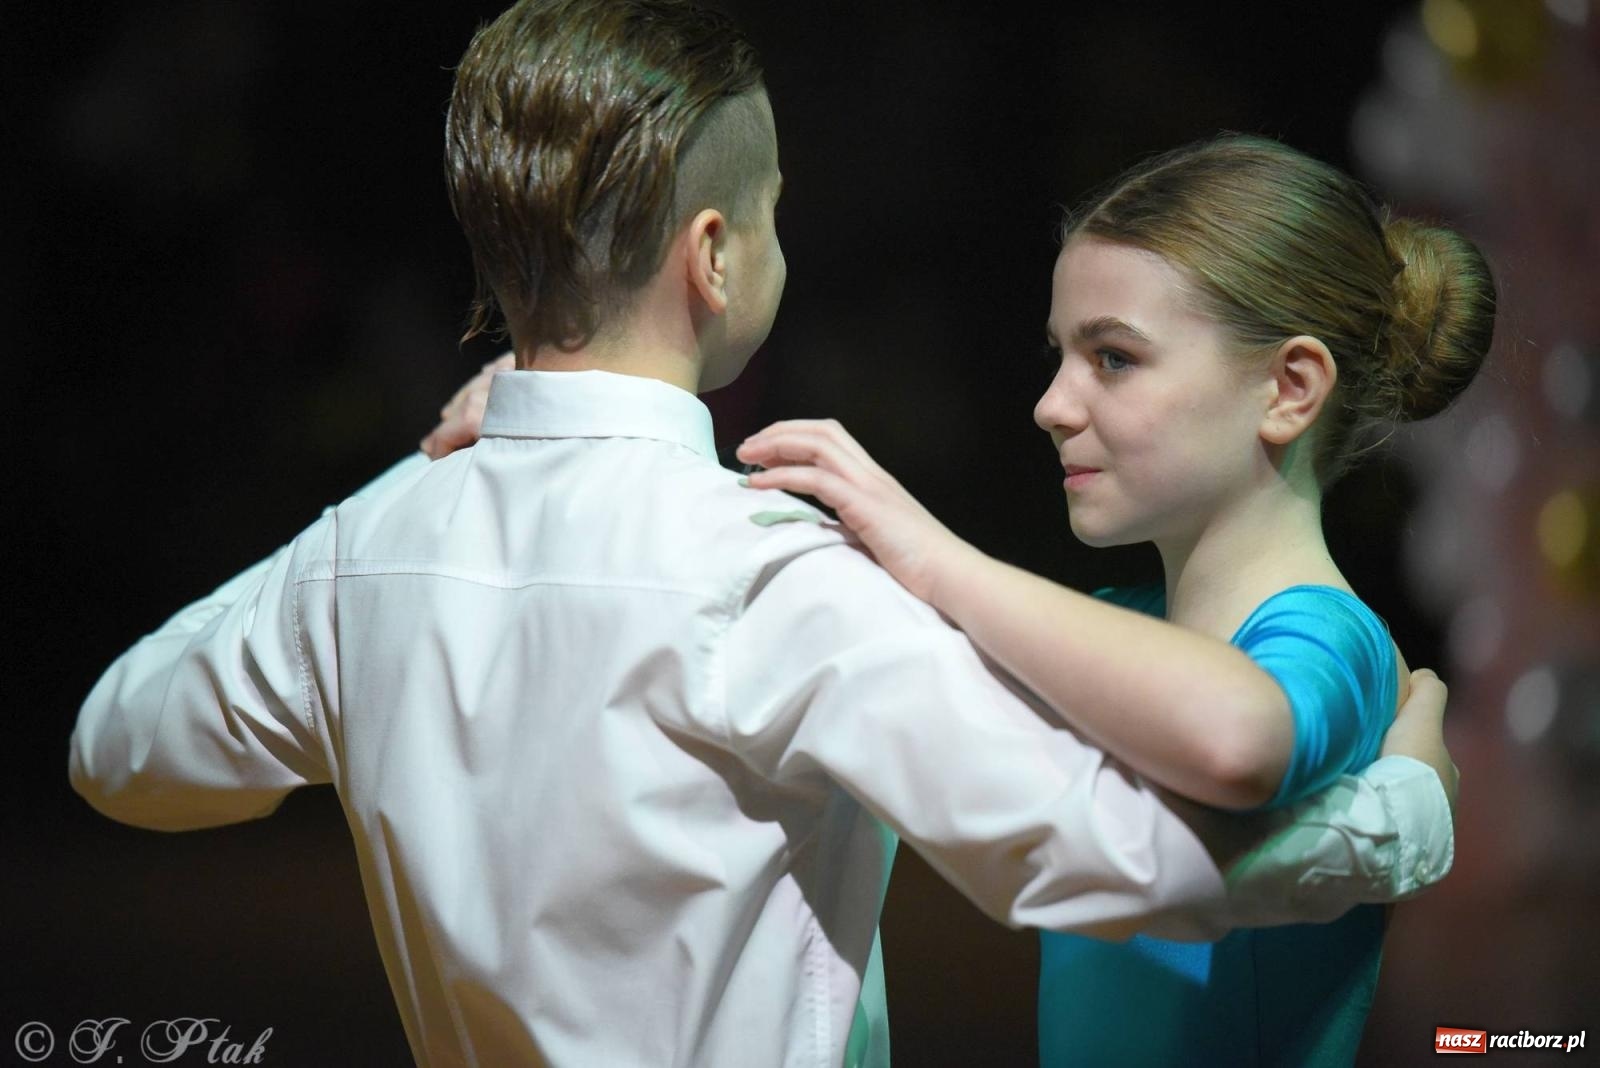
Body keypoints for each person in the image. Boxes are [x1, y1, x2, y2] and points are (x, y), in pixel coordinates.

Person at [69, 3, 1457, 1064]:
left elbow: (117, 746)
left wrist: (397, 509)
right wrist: (1406, 811)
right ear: (718, 255)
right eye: (779, 210)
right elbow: (1132, 858)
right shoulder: (772, 577)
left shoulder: (373, 552)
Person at [737, 134, 1493, 1065]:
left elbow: (1232, 743)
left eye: (1115, 359)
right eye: (1060, 355)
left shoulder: (1330, 638)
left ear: (1290, 389)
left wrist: (932, 553)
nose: (1053, 403)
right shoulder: (1120, 620)